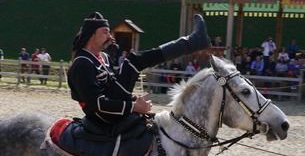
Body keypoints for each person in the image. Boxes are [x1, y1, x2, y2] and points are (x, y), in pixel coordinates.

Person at [67, 12, 211, 128]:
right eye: (105, 32)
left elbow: (113, 86)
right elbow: (97, 103)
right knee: (133, 61)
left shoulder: (102, 57)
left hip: (114, 107)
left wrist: (132, 98)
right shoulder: (82, 64)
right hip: (104, 116)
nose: (110, 37)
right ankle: (194, 42)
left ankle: (194, 41)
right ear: (92, 35)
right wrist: (133, 106)